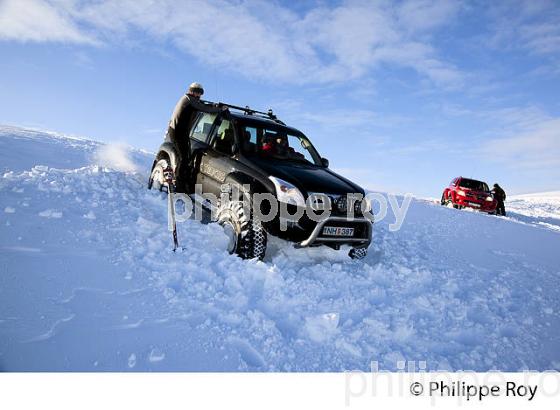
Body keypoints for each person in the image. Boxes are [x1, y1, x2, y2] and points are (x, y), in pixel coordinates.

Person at [166, 82, 226, 192]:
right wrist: (220, 109)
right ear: (193, 91)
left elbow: (202, 105)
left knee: (185, 157)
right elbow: (203, 108)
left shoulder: (190, 99)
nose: (199, 96)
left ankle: (181, 181)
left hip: (181, 132)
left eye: (200, 94)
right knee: (183, 158)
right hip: (177, 132)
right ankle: (179, 186)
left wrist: (214, 106)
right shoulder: (189, 100)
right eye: (198, 93)